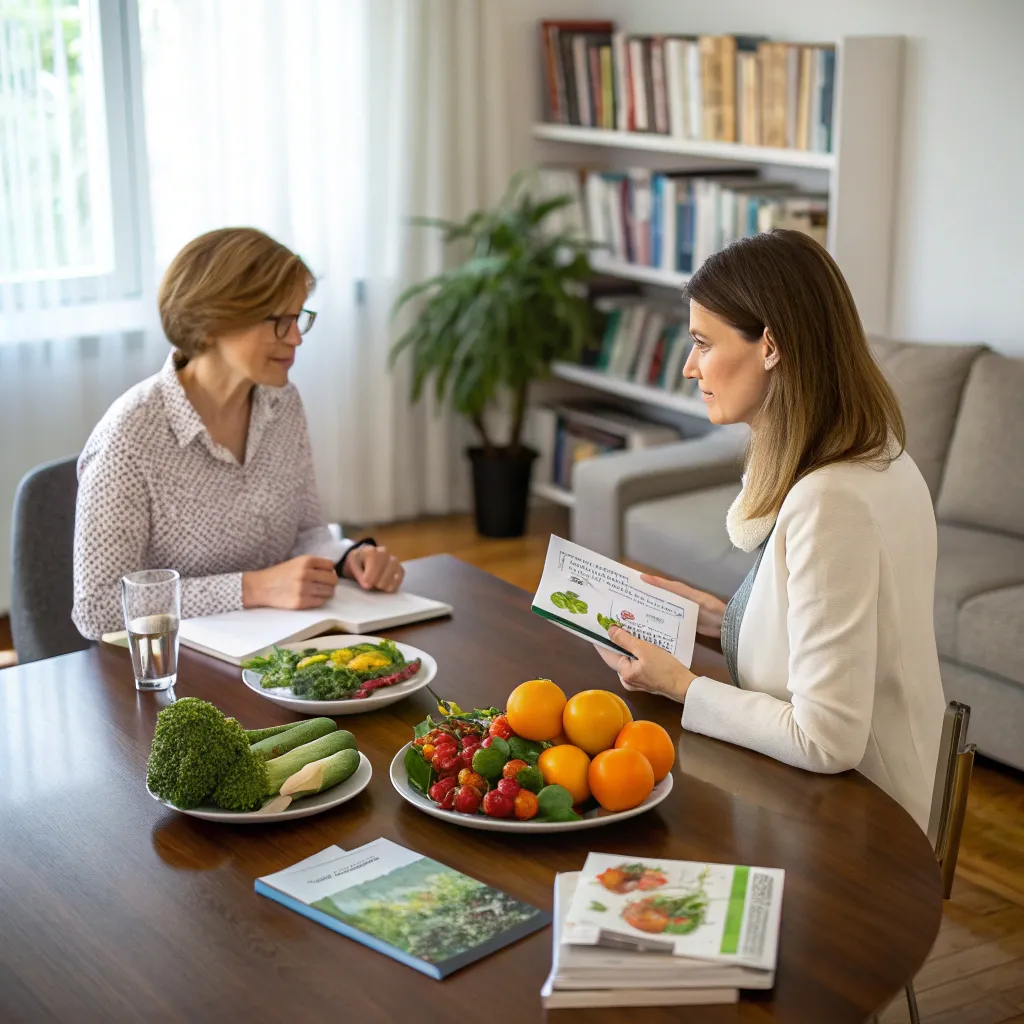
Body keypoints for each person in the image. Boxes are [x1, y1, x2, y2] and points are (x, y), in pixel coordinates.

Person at [597, 229, 945, 831]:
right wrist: (708, 614)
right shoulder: (879, 455)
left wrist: (680, 684)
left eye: (704, 343)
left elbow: (825, 740)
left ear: (772, 346)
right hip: (853, 796)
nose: (688, 366)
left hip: (861, 825)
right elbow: (820, 628)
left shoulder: (830, 500)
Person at [72, 227, 403, 640]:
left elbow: (307, 534)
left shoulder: (282, 404)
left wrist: (349, 557)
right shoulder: (131, 435)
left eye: (299, 317)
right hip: (171, 675)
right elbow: (98, 608)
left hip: (279, 650)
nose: (297, 337)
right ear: (210, 324)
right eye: (279, 322)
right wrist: (253, 589)